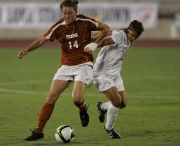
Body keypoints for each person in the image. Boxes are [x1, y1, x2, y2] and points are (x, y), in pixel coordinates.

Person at [17, 0, 111, 141]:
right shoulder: (58, 27)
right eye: (65, 13)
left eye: (70, 13)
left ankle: (82, 107)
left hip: (84, 65)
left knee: (76, 99)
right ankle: (38, 131)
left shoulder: (85, 21)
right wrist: (27, 50)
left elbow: (106, 28)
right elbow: (42, 39)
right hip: (66, 66)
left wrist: (95, 43)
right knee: (51, 98)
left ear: (75, 12)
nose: (67, 16)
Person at [84, 20, 144, 139]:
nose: (132, 37)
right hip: (102, 74)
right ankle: (109, 128)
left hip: (115, 74)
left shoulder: (128, 40)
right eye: (131, 34)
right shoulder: (120, 35)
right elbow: (105, 41)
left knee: (123, 104)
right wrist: (94, 44)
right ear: (128, 29)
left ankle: (102, 107)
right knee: (117, 102)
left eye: (134, 36)